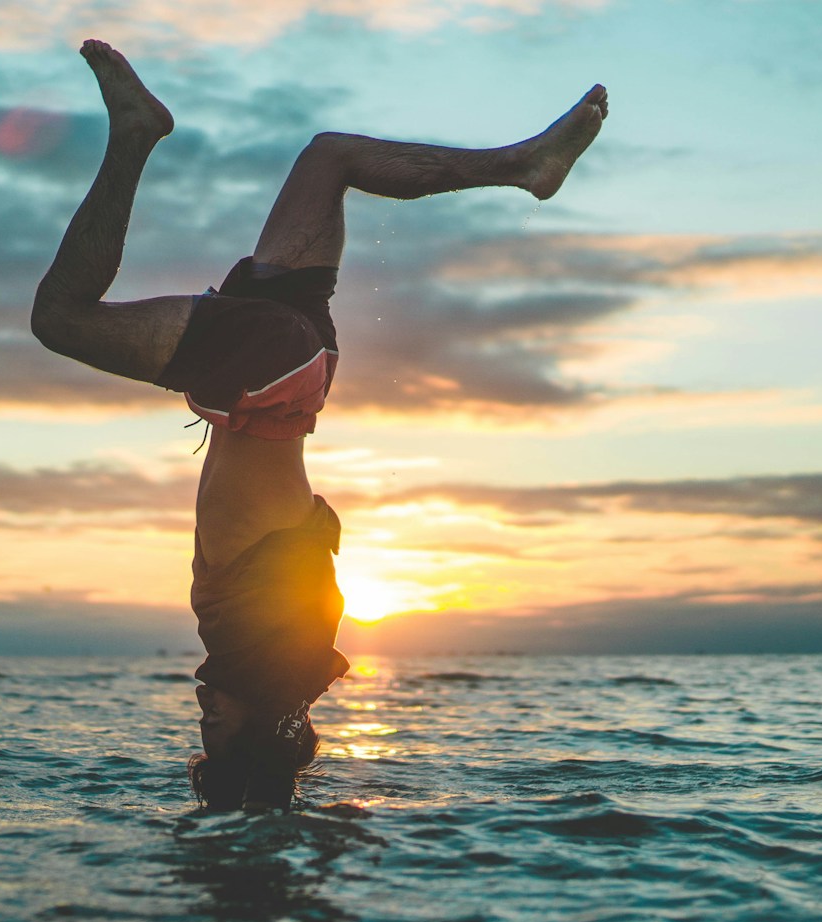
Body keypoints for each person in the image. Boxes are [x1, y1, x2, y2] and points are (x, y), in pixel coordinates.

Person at [31, 40, 607, 810]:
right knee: (61, 319)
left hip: (296, 370)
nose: (203, 723)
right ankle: (134, 136)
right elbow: (278, 692)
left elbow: (289, 689)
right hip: (263, 374)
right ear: (259, 728)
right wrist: (278, 741)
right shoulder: (259, 654)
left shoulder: (280, 646)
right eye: (216, 736)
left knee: (329, 156)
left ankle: (522, 167)